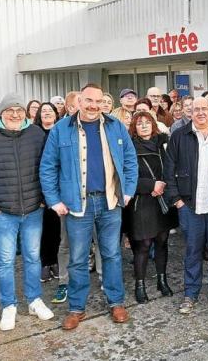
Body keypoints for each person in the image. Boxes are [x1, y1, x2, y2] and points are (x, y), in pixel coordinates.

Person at [40, 83, 138, 330]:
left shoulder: (115, 126)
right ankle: (76, 308)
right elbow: (48, 167)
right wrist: (54, 200)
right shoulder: (62, 129)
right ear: (79, 102)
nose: (93, 105)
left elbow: (130, 160)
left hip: (110, 202)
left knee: (112, 254)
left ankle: (116, 302)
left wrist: (127, 191)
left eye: (98, 101)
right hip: (77, 205)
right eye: (88, 101)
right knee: (78, 258)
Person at [0, 93, 55, 330]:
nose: (15, 115)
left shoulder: (36, 134)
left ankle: (34, 300)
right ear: (1, 113)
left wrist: (43, 200)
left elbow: (48, 166)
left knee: (32, 257)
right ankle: (9, 305)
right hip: (3, 213)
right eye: (10, 111)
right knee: (6, 261)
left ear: (25, 113)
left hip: (33, 210)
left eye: (19, 110)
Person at [164, 97, 208, 315]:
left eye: (204, 109)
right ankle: (190, 293)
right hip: (190, 205)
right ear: (190, 112)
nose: (201, 113)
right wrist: (177, 200)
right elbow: (169, 170)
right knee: (192, 252)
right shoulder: (179, 136)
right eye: (196, 109)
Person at [125, 111, 178, 303]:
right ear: (134, 127)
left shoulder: (163, 143)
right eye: (140, 123)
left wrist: (164, 184)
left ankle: (162, 281)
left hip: (163, 199)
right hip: (141, 201)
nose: (144, 126)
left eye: (148, 122)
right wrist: (150, 186)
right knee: (143, 244)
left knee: (162, 241)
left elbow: (173, 166)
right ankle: (140, 285)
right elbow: (125, 177)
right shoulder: (129, 146)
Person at [33, 102, 62, 282]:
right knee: (44, 231)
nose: (46, 113)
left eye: (50, 111)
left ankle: (56, 262)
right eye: (43, 111)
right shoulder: (34, 134)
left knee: (58, 230)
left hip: (60, 191)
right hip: (41, 191)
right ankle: (46, 263)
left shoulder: (60, 131)